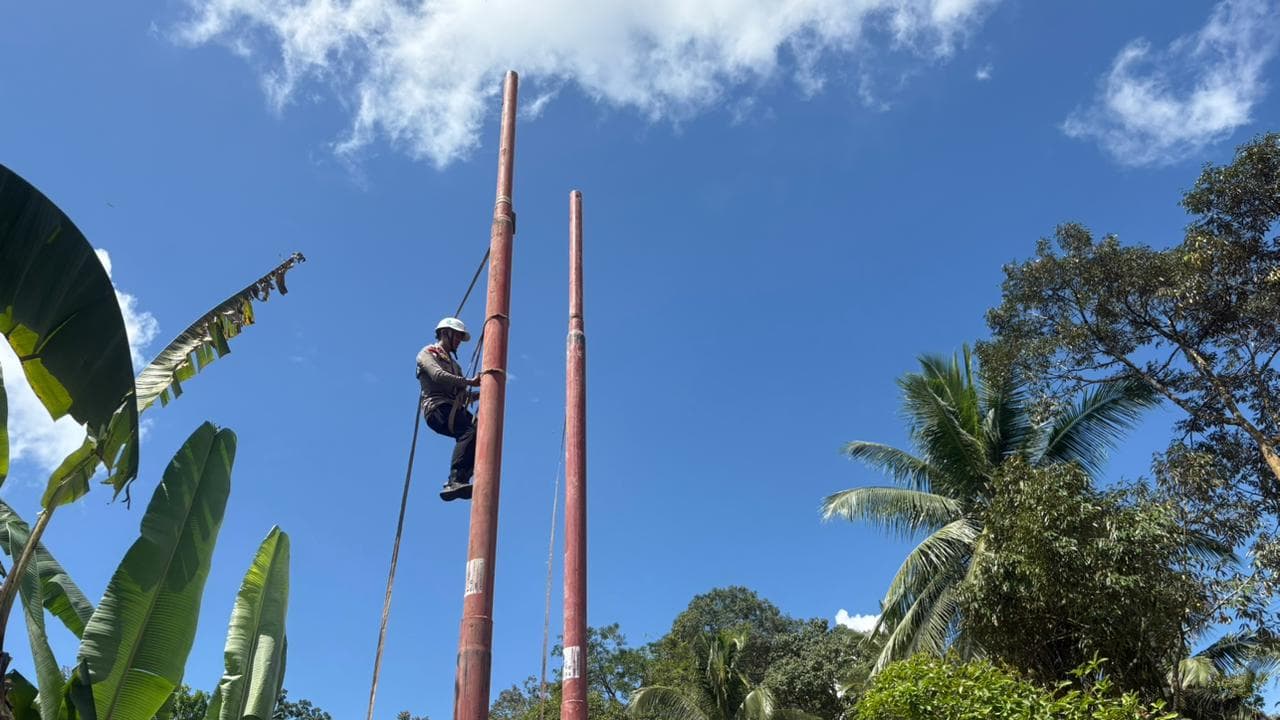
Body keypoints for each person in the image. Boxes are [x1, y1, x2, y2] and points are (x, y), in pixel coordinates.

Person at [417, 317, 481, 501]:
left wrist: (484, 392)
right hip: (437, 408)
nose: (459, 342)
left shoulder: (456, 366)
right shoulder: (427, 353)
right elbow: (437, 376)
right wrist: (470, 382)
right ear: (445, 333)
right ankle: (455, 479)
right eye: (457, 337)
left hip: (451, 407)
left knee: (479, 432)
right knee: (469, 431)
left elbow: (461, 395)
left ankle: (463, 479)